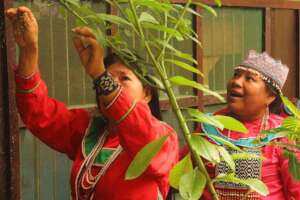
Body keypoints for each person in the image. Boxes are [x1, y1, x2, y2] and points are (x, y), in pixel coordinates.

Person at [6, 6, 179, 200]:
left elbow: (137, 126)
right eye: (108, 79)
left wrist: (100, 74)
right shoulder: (91, 132)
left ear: (147, 93)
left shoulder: (163, 139)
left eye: (124, 79)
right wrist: (29, 50)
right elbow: (38, 112)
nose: (113, 84)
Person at [183, 50, 300, 199]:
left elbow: (296, 190)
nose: (236, 82)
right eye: (236, 75)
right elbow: (183, 174)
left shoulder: (282, 135)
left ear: (270, 96)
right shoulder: (208, 126)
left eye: (250, 78)